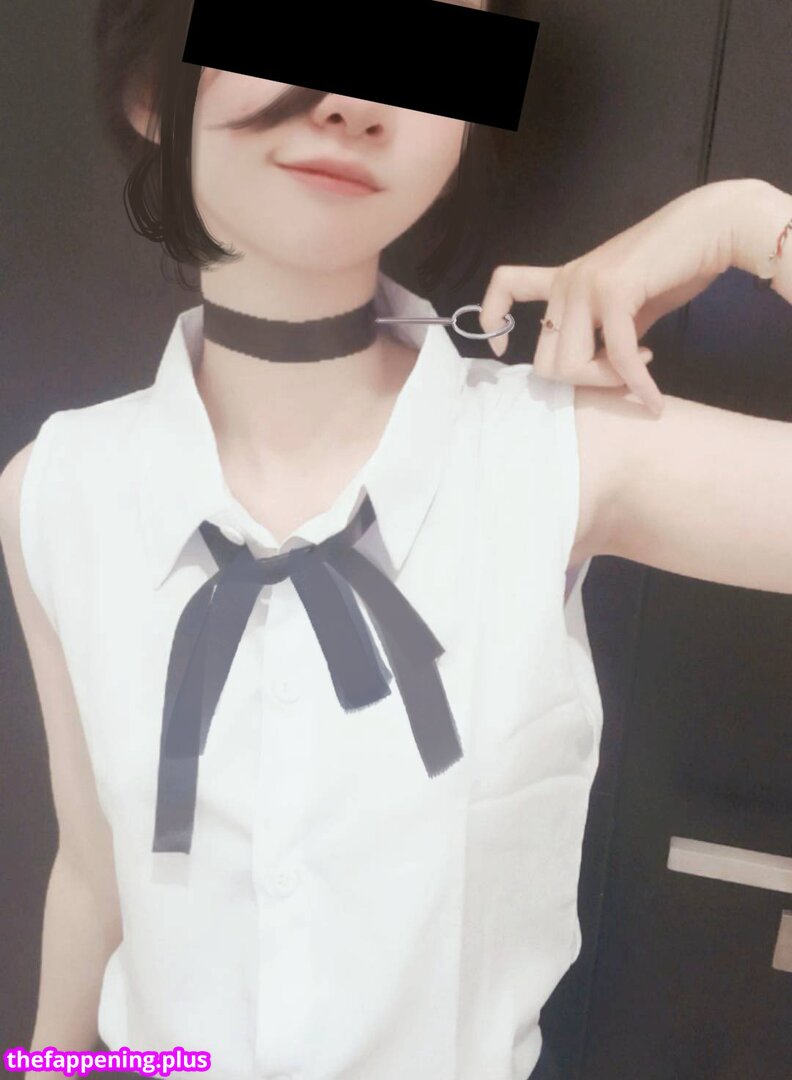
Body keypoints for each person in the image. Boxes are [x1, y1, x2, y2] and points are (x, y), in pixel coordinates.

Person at [2, 2, 791, 1080]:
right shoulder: (56, 491)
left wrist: (751, 225)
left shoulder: (560, 455)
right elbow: (96, 873)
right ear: (150, 88)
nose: (353, 103)